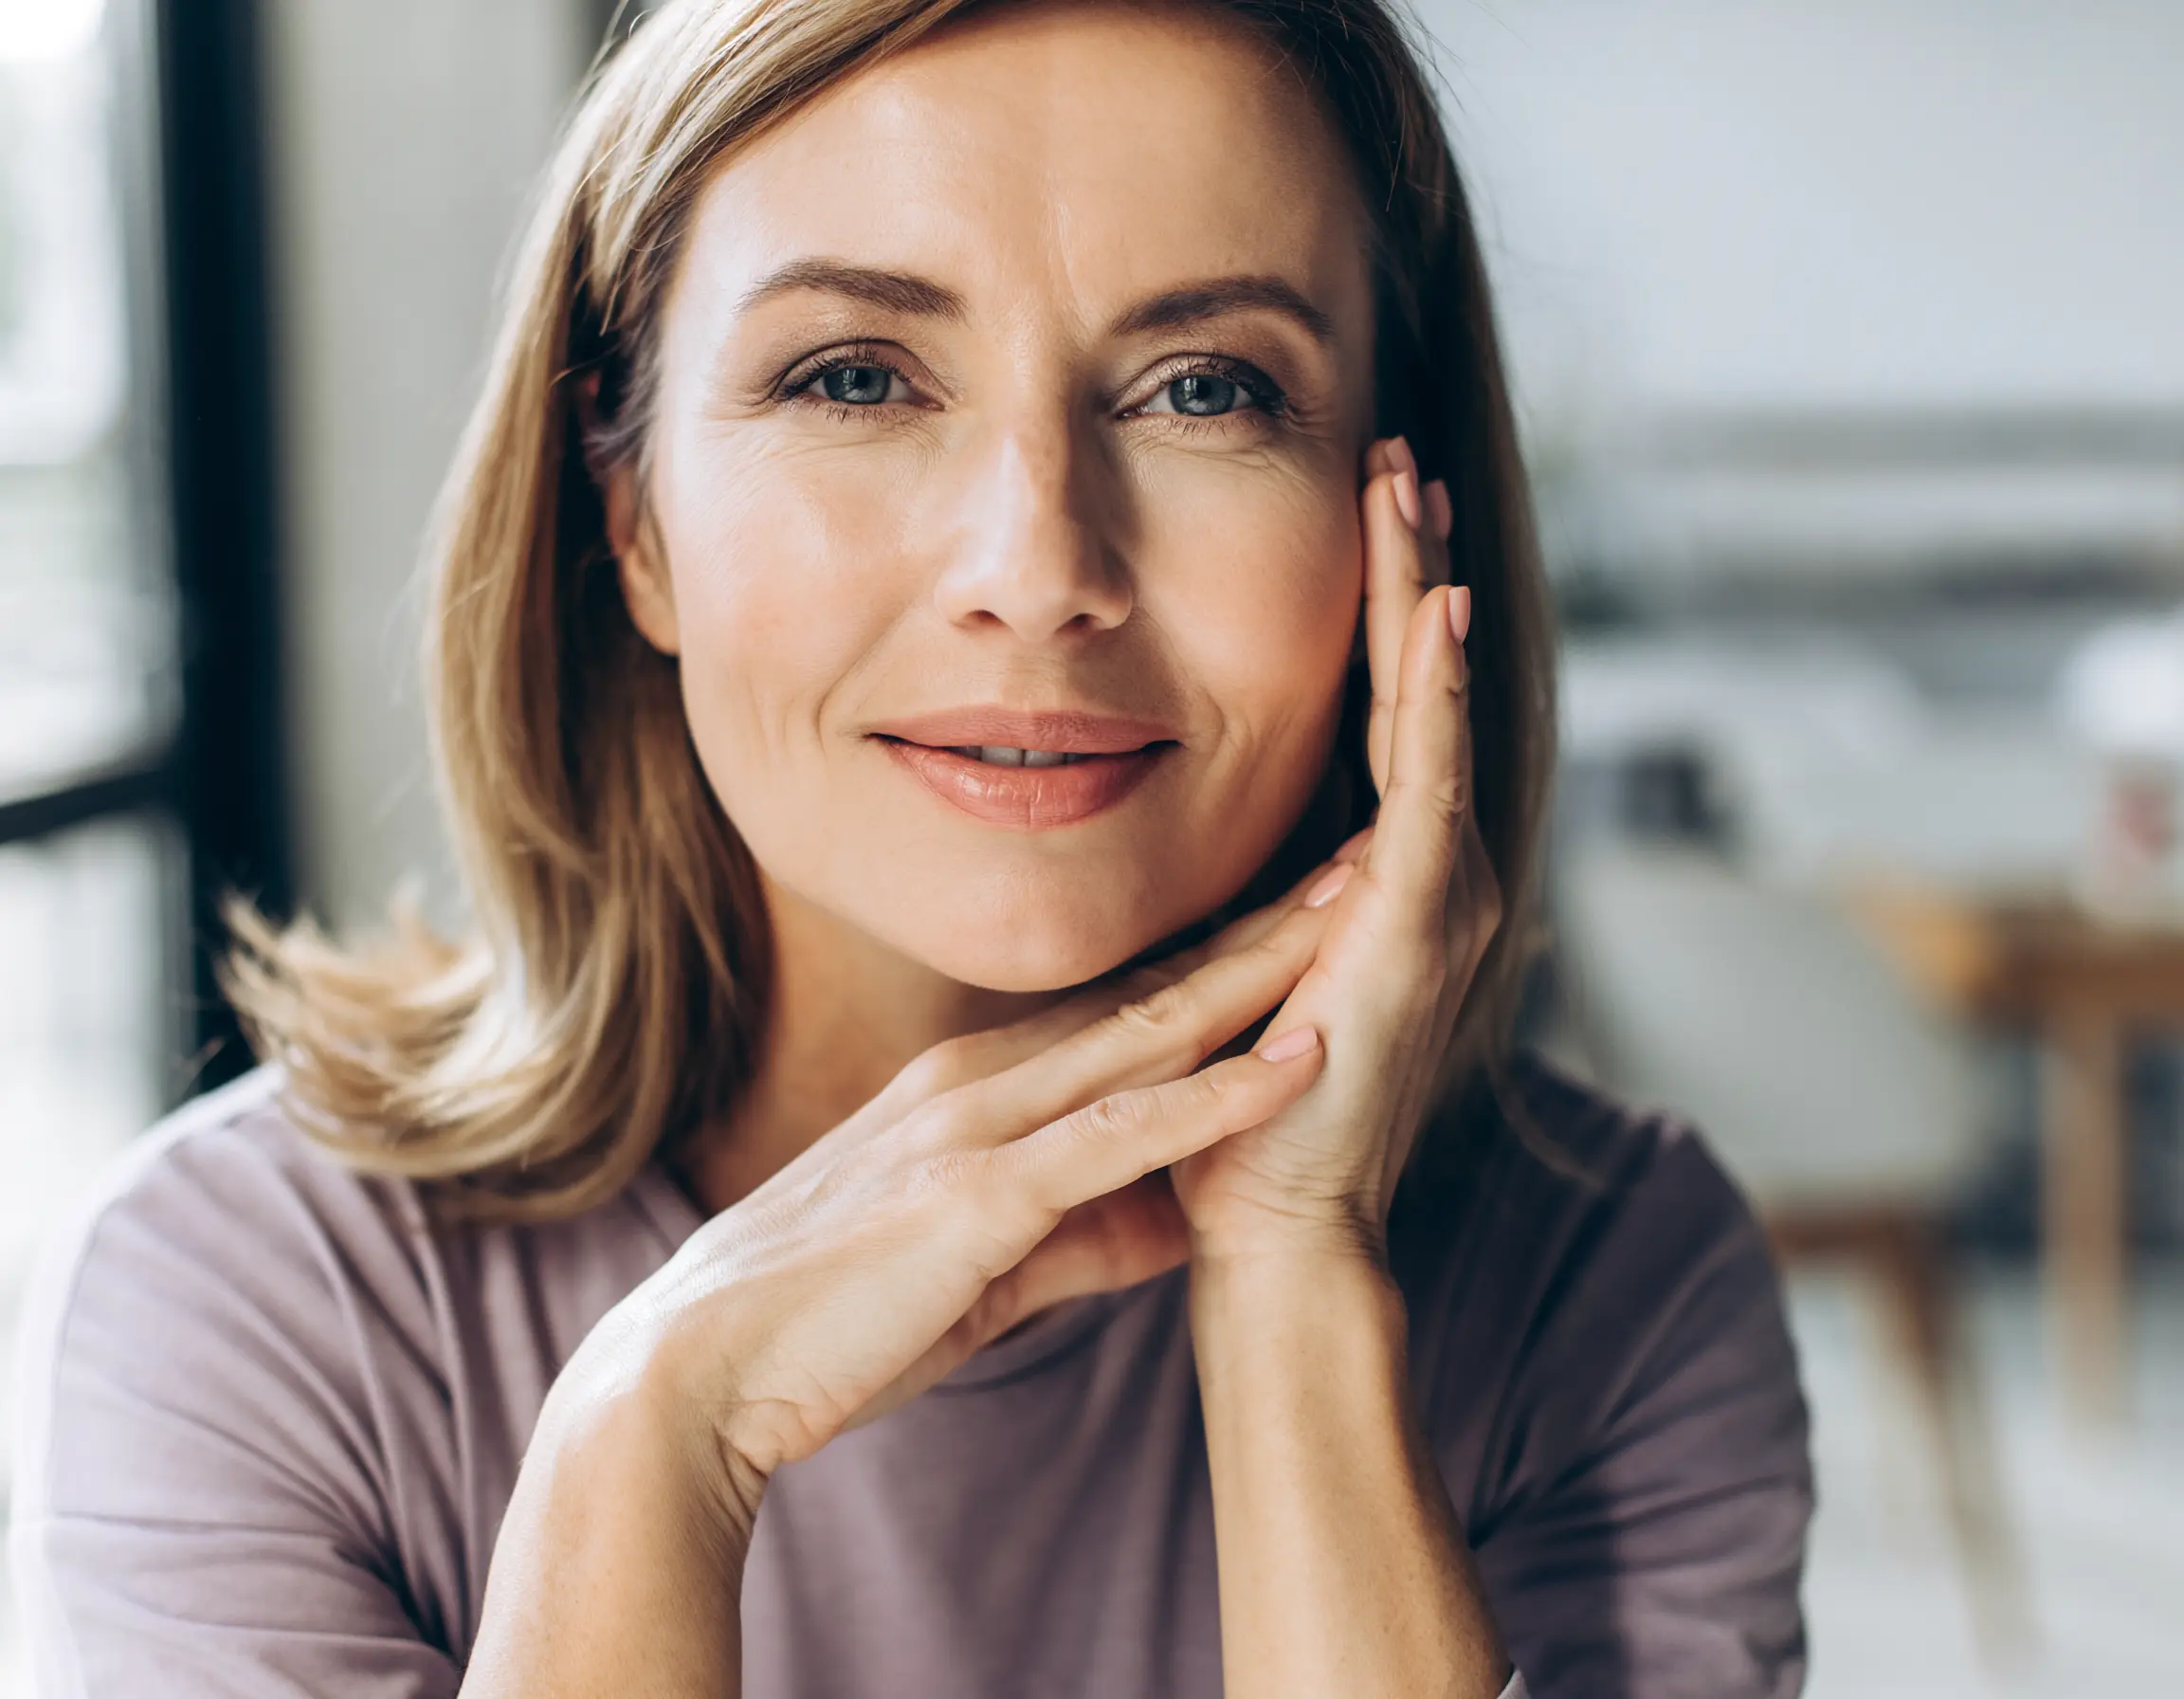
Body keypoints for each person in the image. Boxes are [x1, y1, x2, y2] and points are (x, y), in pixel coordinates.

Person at [9, 1, 1812, 1693]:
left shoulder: (1615, 1283)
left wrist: (1296, 1274)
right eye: (858, 376)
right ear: (627, 512)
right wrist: (653, 1441)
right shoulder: (255, 1307)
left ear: (1396, 526)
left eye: (1205, 389)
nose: (1037, 569)